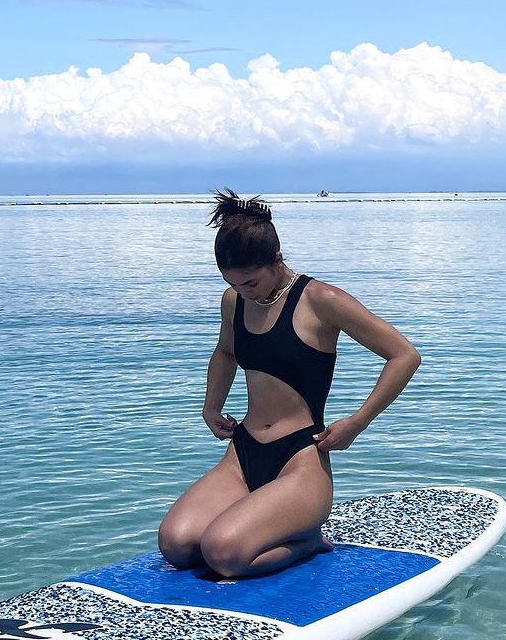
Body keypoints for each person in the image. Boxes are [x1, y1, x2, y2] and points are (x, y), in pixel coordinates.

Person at [158, 192, 421, 581]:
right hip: (243, 454)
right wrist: (210, 407)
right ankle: (259, 523)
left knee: (223, 555)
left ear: (277, 259)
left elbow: (404, 355)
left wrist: (357, 422)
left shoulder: (321, 300)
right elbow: (226, 352)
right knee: (177, 545)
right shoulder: (234, 301)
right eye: (233, 283)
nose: (245, 292)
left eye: (251, 282)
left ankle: (309, 541)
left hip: (301, 459)